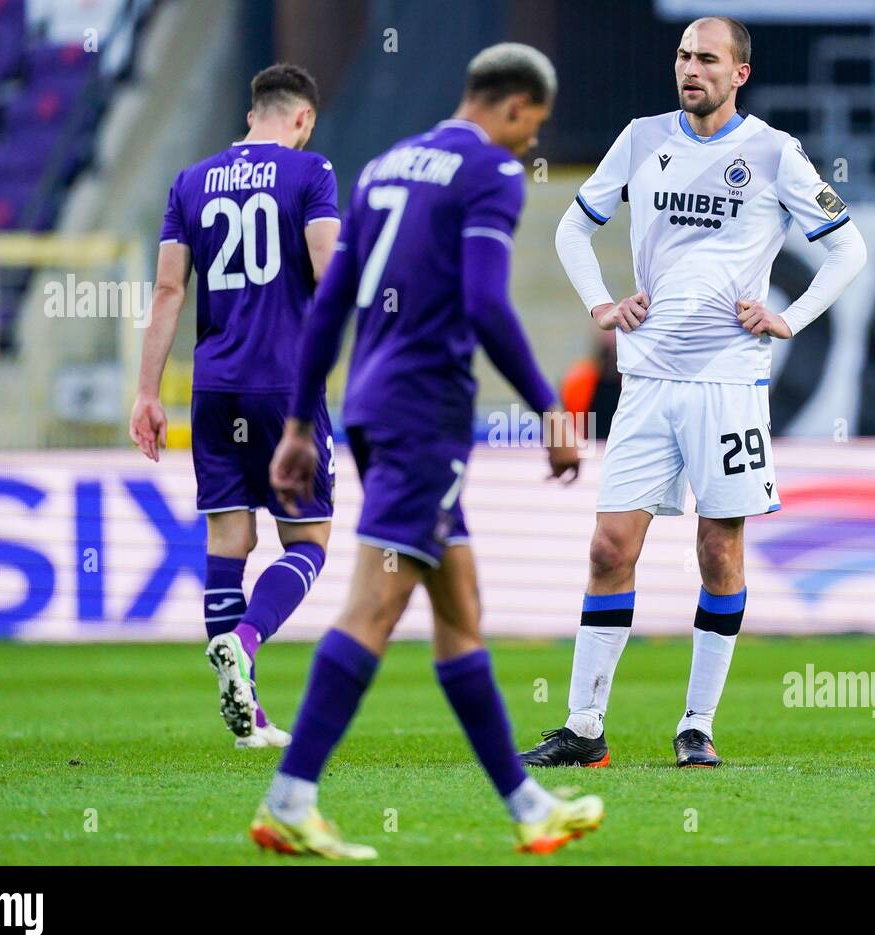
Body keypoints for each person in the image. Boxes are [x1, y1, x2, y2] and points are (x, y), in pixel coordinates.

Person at [248, 43, 603, 860]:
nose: (528, 145)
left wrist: (304, 425)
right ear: (516, 107)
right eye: (533, 128)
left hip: (372, 403)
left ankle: (528, 806)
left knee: (460, 610)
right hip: (423, 415)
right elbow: (484, 302)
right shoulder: (492, 173)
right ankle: (291, 798)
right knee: (375, 606)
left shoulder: (382, 168)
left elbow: (331, 300)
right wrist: (550, 409)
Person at [524, 16, 868, 769]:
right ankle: (584, 728)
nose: (692, 69)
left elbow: (848, 247)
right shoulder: (643, 138)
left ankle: (696, 725)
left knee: (719, 550)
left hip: (727, 384)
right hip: (646, 380)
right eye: (683, 56)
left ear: (739, 73)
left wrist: (790, 319)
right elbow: (570, 233)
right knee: (610, 546)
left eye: (708, 59)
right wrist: (601, 306)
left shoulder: (774, 153)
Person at [130, 64, 340, 748]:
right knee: (307, 540)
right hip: (283, 382)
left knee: (230, 541)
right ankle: (244, 644)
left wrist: (145, 393)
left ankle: (247, 718)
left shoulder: (189, 181)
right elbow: (326, 271)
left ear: (253, 114)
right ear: (301, 120)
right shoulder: (312, 175)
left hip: (213, 386)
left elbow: (167, 293)